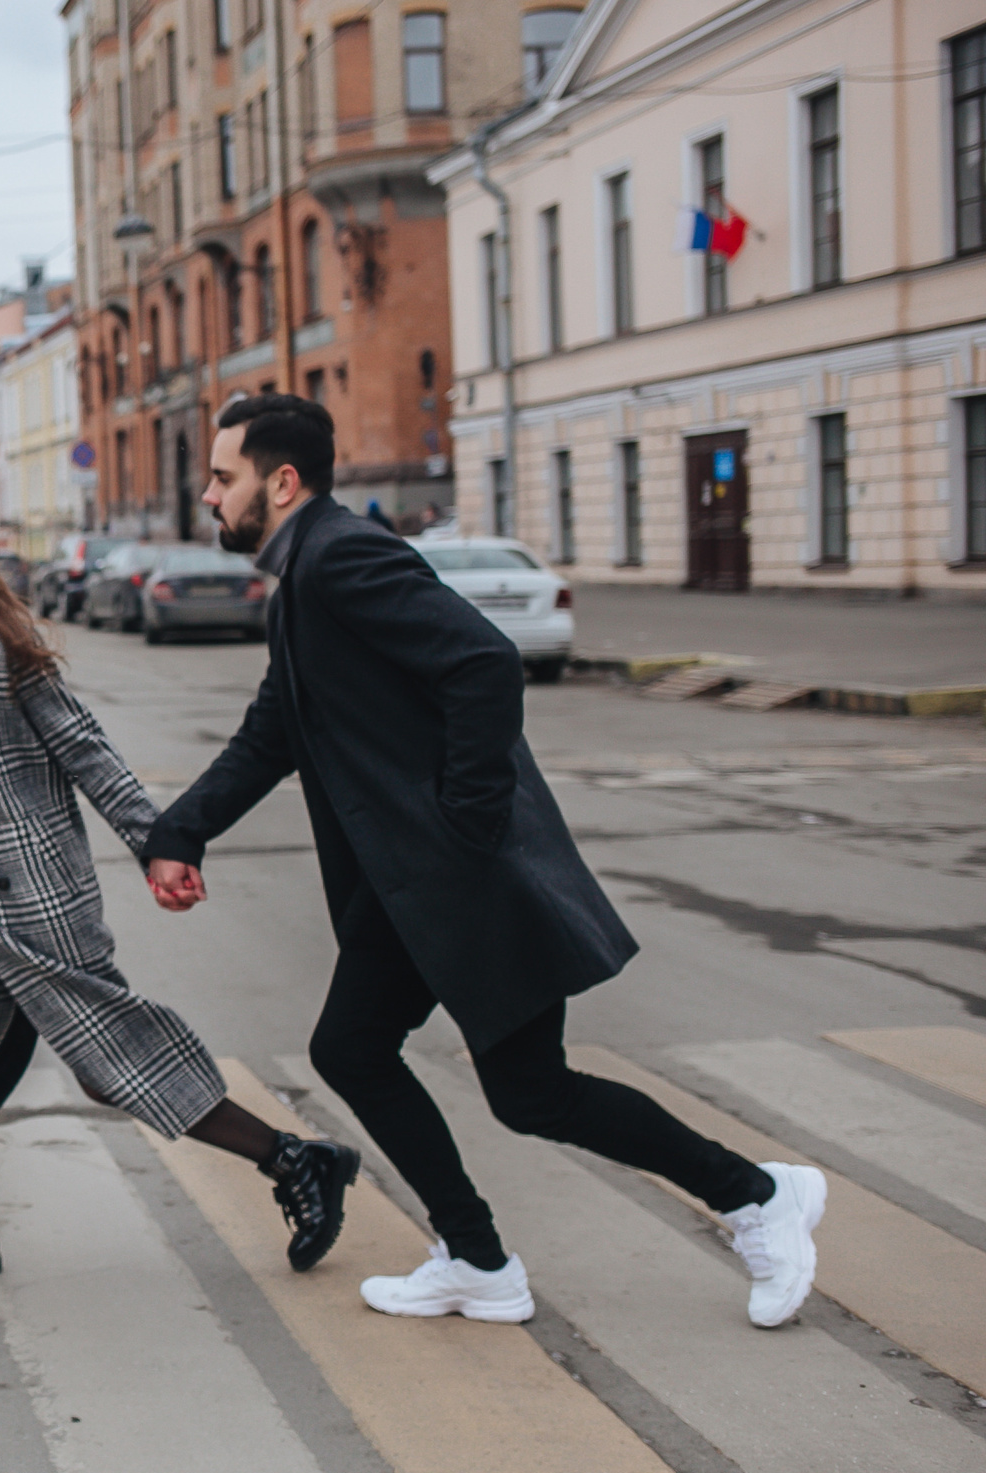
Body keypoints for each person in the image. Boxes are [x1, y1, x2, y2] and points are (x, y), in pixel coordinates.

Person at [144, 396, 823, 1327]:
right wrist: (182, 830)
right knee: (365, 1050)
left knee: (525, 1090)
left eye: (224, 478)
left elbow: (485, 664)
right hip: (415, 885)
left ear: (282, 481)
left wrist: (465, 823)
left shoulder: (341, 555)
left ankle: (757, 1196)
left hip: (461, 875)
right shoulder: (305, 573)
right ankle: (477, 1259)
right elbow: (277, 730)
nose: (211, 496)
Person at [0, 485, 361, 1283]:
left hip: (35, 893)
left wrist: (158, 843)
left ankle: (296, 1158)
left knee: (112, 1062)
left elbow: (84, 748)